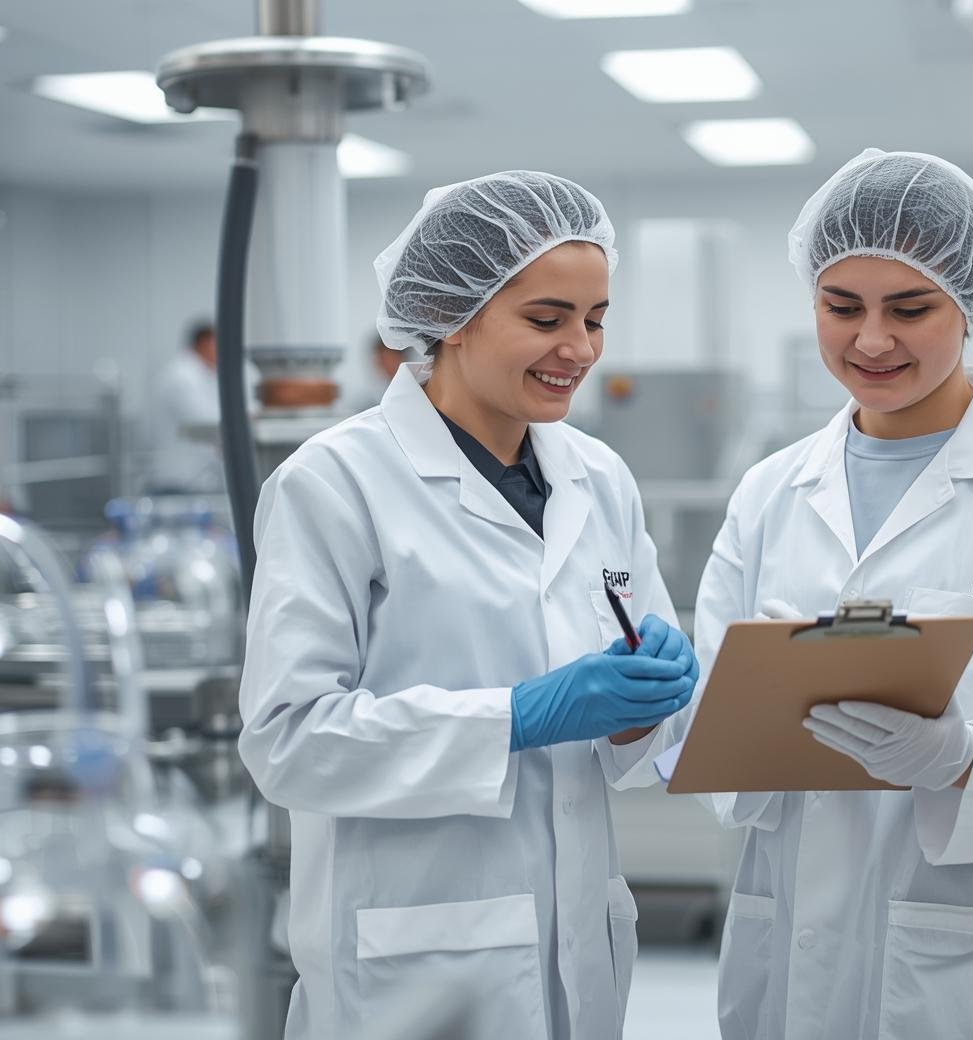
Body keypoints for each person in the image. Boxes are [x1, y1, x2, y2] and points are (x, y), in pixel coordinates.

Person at [669, 149, 973, 1040]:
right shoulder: (770, 492)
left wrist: (963, 761)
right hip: (788, 946)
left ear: (969, 307)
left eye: (910, 309)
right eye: (840, 307)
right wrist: (724, 716)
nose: (870, 341)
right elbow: (708, 741)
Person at [237, 171, 698, 1040]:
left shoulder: (597, 478)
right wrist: (517, 717)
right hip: (415, 960)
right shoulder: (336, 484)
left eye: (595, 319)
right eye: (546, 319)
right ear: (451, 313)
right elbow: (288, 742)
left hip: (580, 948)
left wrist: (647, 711)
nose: (582, 349)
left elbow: (632, 744)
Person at [147, 320, 224, 493]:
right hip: (179, 480)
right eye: (218, 344)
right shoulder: (181, 376)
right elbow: (204, 423)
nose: (222, 352)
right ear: (204, 343)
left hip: (193, 478)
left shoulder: (199, 374)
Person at [346, 332, 416, 414]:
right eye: (377, 357)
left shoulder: (416, 394)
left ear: (401, 356)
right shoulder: (366, 400)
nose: (378, 362)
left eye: (383, 357)